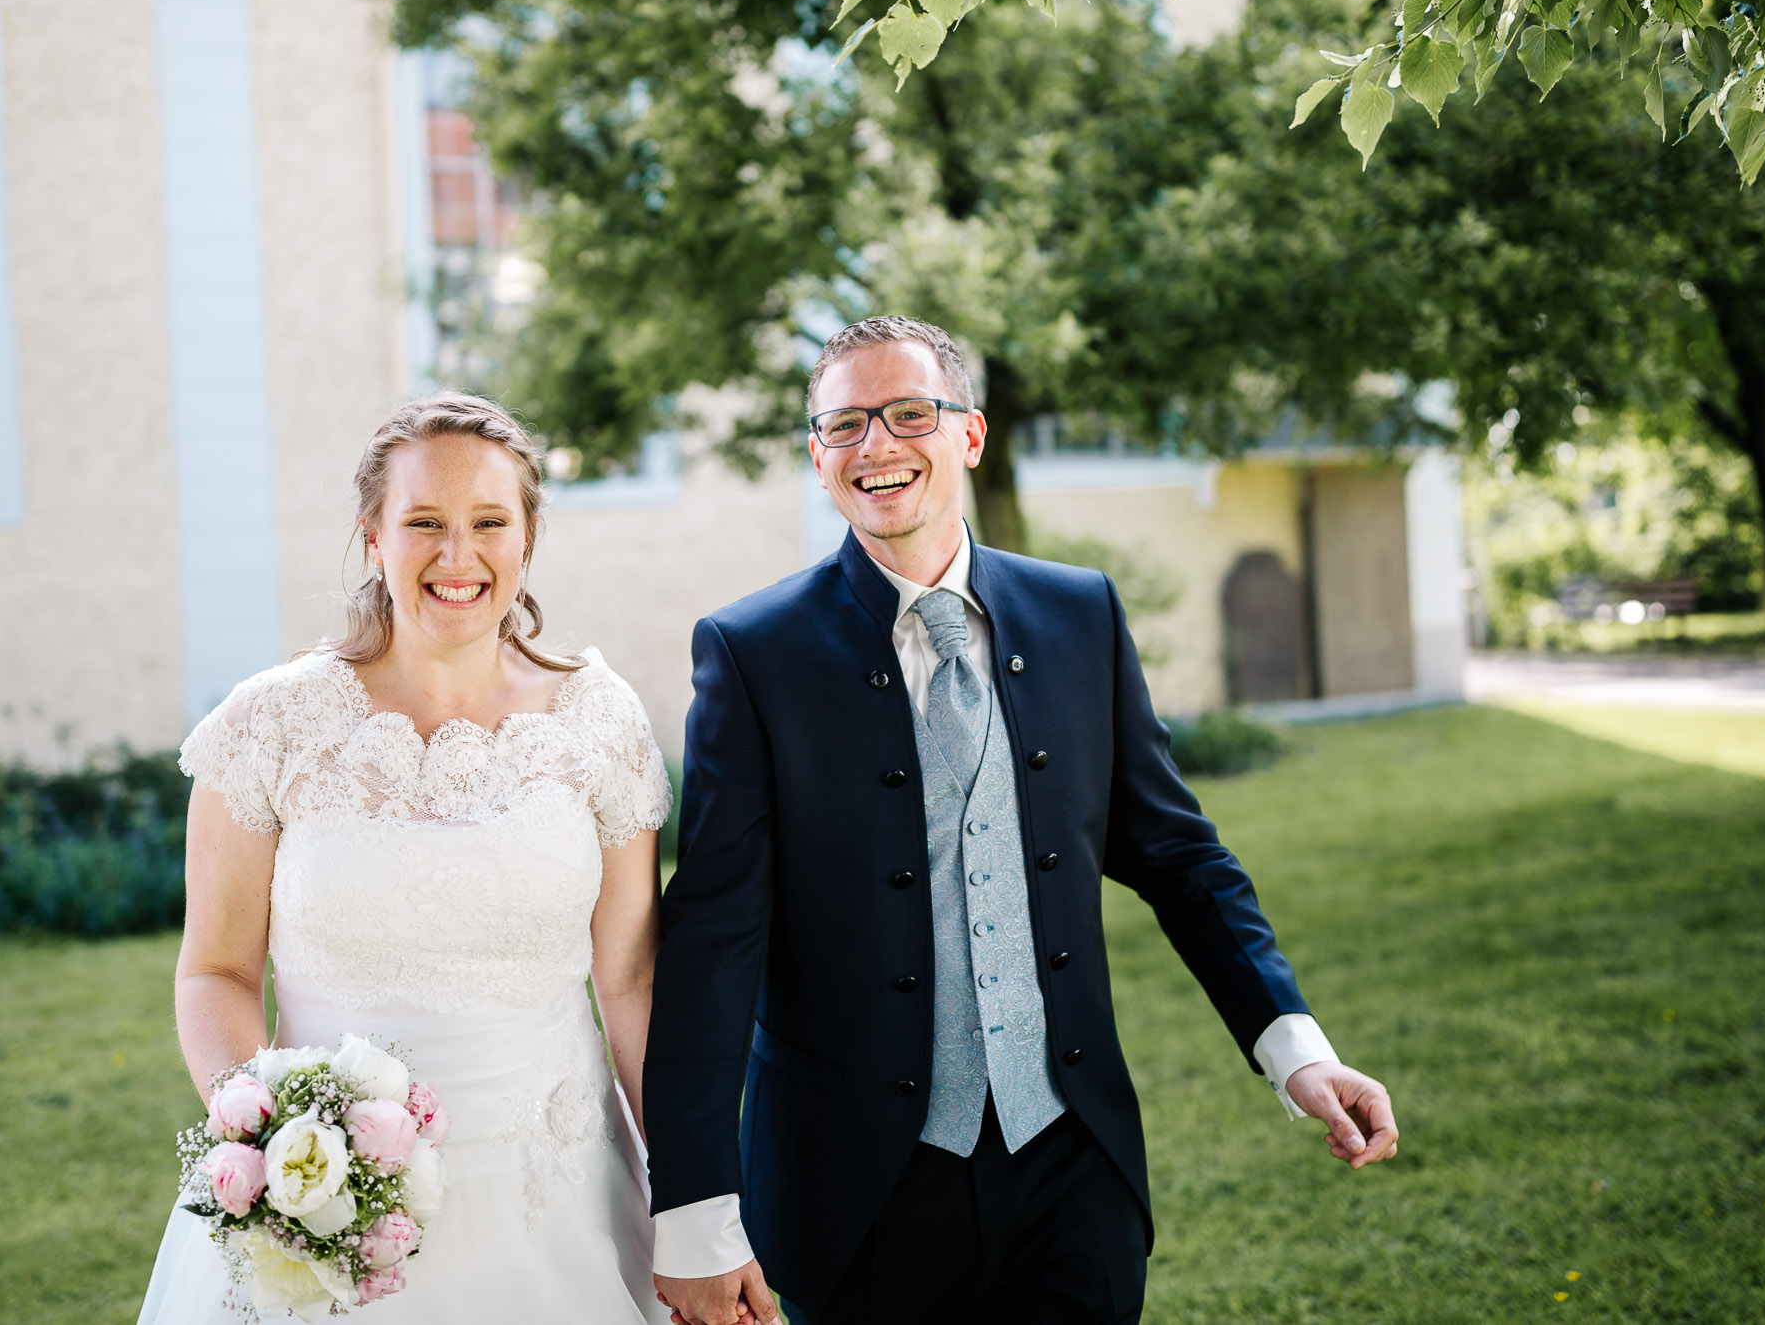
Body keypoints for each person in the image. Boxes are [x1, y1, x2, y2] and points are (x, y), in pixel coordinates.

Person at [644, 317, 1399, 1325]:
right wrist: (696, 1206)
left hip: (1072, 1174)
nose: (877, 446)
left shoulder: (1080, 613)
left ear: (971, 435)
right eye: (845, 425)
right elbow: (714, 944)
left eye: (909, 413)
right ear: (816, 453)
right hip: (856, 1192)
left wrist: (1296, 1049)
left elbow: (1180, 858)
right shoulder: (751, 654)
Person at [136, 392, 669, 1323]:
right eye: (423, 522)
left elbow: (630, 979)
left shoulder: (600, 719)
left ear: (528, 537)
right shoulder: (270, 724)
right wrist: (266, 1140)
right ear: (373, 537)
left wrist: (697, 1191)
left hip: (562, 1193)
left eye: (489, 524)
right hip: (326, 1205)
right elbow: (215, 971)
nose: (456, 556)